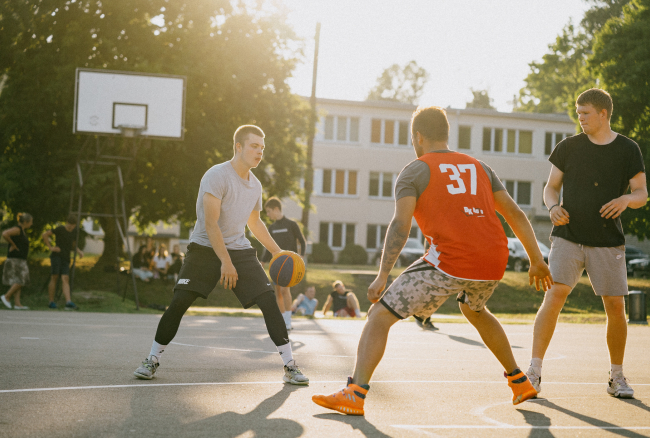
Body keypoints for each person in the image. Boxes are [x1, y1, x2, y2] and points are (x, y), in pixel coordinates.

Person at [313, 106, 553, 415]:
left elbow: (401, 226)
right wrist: (536, 259)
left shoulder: (414, 170)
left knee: (379, 316)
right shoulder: (479, 167)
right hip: (493, 260)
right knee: (475, 310)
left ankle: (355, 393)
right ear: (446, 134)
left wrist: (382, 276)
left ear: (418, 137)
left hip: (451, 261)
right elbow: (514, 214)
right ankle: (520, 381)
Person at [133, 125, 309, 385]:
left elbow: (255, 222)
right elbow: (210, 223)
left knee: (269, 300)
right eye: (254, 146)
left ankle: (290, 365)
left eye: (262, 148)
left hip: (239, 249)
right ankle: (152, 359)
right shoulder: (216, 175)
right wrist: (225, 262)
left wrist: (277, 252)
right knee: (180, 301)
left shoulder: (256, 185)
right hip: (204, 248)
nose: (260, 152)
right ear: (238, 146)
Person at [526, 88, 647, 399]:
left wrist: (625, 199)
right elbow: (550, 189)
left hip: (607, 240)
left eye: (585, 113)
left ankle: (616, 376)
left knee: (616, 307)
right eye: (577, 113)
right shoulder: (568, 147)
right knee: (554, 297)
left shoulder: (627, 149)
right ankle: (534, 371)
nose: (579, 118)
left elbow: (641, 194)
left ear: (603, 114)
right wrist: (553, 208)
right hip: (568, 236)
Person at [262, 196, 306, 331]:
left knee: (285, 290)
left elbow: (302, 241)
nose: (268, 215)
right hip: (276, 264)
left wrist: (301, 257)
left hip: (290, 264)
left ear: (276, 209)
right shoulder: (272, 227)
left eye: (269, 211)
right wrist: (263, 261)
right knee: (278, 292)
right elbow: (268, 247)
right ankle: (282, 320)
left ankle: (288, 321)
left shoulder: (291, 224)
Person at [42, 215, 84, 310]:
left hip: (66, 257)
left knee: (65, 278)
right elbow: (45, 235)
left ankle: (68, 302)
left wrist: (79, 251)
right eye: (69, 224)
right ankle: (51, 302)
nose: (70, 227)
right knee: (55, 276)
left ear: (75, 225)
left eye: (72, 225)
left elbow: (73, 243)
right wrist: (51, 247)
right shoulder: (60, 229)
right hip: (56, 256)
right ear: (66, 222)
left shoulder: (74, 231)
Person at [1, 213, 33, 310]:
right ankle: (6, 296)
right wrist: (13, 245)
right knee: (22, 280)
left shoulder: (21, 230)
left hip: (20, 259)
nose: (31, 224)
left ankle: (17, 303)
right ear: (26, 222)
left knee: (18, 280)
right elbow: (5, 234)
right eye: (31, 222)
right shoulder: (17, 229)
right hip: (16, 259)